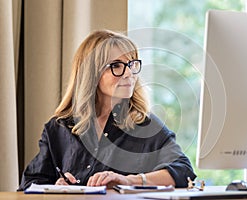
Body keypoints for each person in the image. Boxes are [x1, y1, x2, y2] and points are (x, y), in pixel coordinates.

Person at [18, 29, 196, 191]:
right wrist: (56, 188)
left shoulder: (145, 125)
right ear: (91, 73)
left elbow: (184, 171)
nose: (128, 74)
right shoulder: (58, 128)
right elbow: (29, 185)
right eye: (116, 66)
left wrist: (128, 180)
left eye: (132, 64)